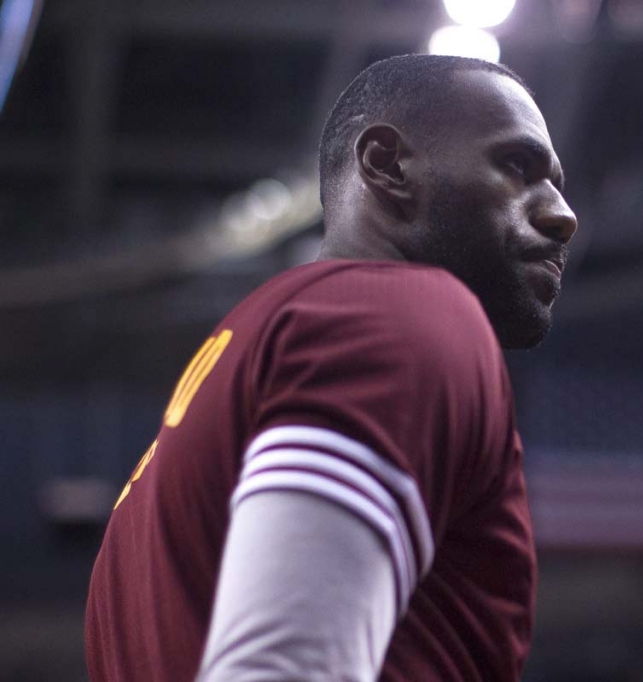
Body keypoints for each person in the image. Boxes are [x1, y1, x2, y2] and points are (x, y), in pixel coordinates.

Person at [84, 53, 577, 681]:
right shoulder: (400, 314)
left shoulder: (142, 503)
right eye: (518, 167)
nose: (562, 215)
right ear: (388, 164)